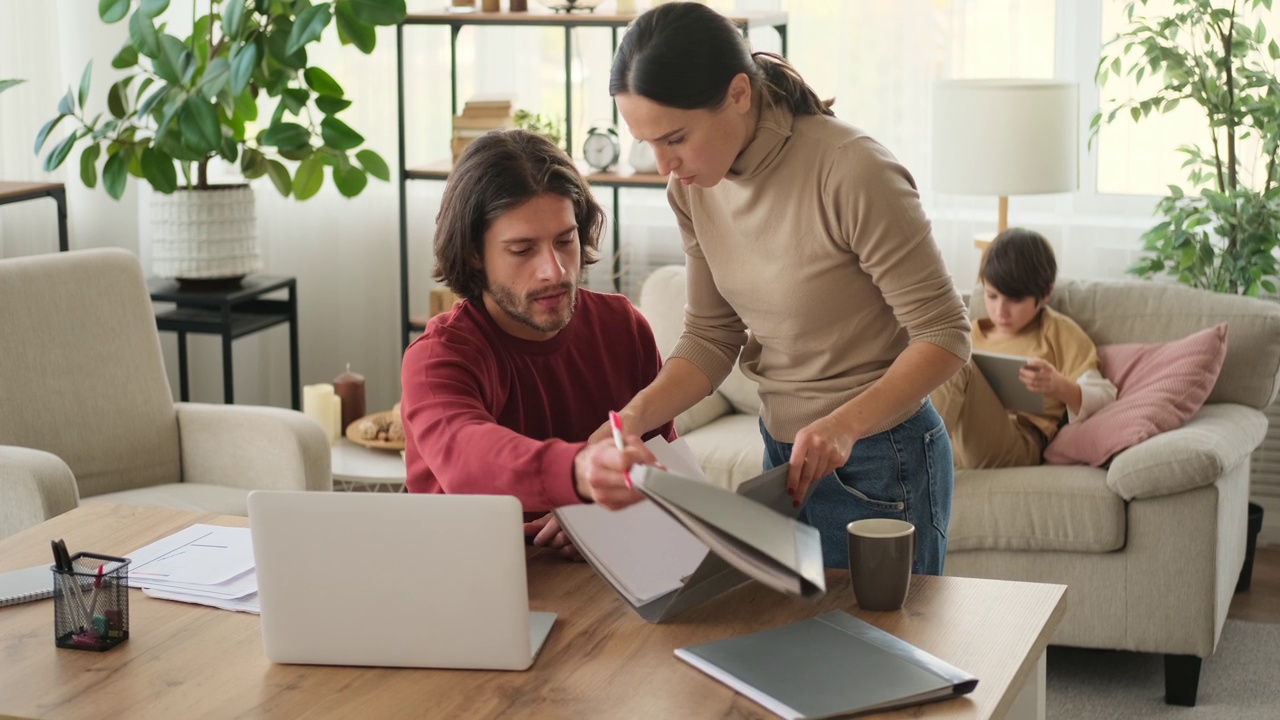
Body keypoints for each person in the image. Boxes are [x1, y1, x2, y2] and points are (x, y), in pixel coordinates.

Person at [599, 3, 971, 574]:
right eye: (646, 143)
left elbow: (945, 335)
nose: (662, 166)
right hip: (782, 454)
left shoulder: (851, 169)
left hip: (880, 458)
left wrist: (842, 426)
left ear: (740, 94)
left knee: (876, 658)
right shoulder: (695, 189)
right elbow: (710, 336)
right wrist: (630, 418)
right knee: (793, 650)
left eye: (674, 137)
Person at [400, 129, 673, 559]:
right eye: (522, 249)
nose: (555, 270)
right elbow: (467, 459)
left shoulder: (624, 327)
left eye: (565, 241)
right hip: (467, 584)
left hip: (607, 582)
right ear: (474, 253)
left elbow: (661, 473)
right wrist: (578, 473)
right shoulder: (438, 359)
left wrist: (596, 514)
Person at [929, 228, 1117, 469]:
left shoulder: (1056, 331)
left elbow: (1105, 397)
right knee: (944, 349)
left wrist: (1059, 385)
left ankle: (912, 460)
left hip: (1018, 443)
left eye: (1015, 300)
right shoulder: (970, 331)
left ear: (1046, 292)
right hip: (956, 441)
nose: (1000, 311)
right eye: (992, 296)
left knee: (956, 358)